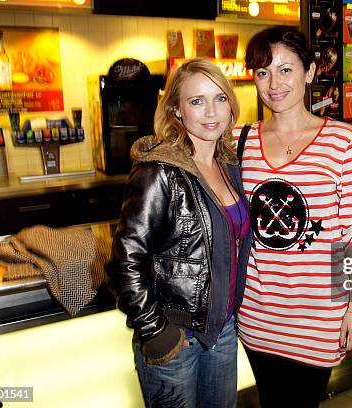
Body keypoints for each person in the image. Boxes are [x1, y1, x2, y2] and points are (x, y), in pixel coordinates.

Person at [233, 26, 352, 408]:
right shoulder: (238, 141)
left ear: (309, 72)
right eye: (262, 72)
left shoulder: (342, 141)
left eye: (285, 70)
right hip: (258, 311)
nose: (274, 83)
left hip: (318, 313)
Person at [106, 58, 251, 408]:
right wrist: (155, 331)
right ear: (176, 109)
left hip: (223, 329)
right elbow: (125, 262)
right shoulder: (159, 171)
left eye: (219, 98)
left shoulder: (230, 165)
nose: (211, 111)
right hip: (175, 337)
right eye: (197, 101)